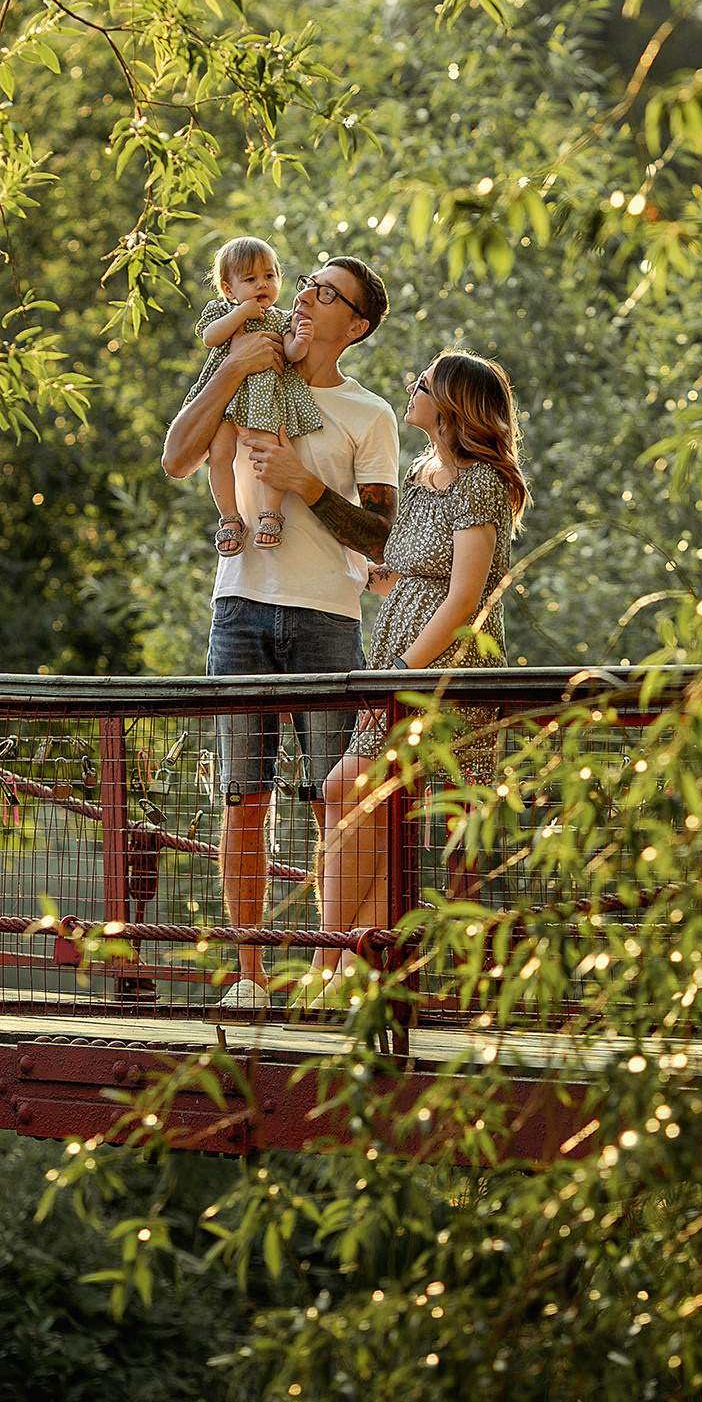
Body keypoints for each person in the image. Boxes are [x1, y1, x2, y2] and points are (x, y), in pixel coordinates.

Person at [162, 257, 400, 1009]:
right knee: (244, 800)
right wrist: (232, 366)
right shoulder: (247, 365)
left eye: (326, 293)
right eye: (307, 283)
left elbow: (384, 537)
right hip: (239, 612)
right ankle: (251, 976)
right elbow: (177, 458)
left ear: (355, 325)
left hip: (327, 618)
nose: (303, 296)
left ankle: (332, 974)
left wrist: (307, 484)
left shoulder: (370, 414)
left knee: (337, 803)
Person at [309, 351, 530, 1001]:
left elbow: (463, 598)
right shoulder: (419, 470)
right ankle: (360, 973)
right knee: (374, 808)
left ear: (452, 407)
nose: (413, 387)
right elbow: (410, 573)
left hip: (443, 667)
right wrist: (372, 577)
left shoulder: (480, 482)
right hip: (398, 653)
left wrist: (400, 673)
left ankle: (330, 961)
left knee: (348, 788)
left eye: (425, 383)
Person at [190, 236, 321, 553]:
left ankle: (271, 513)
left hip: (263, 398)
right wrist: (241, 313)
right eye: (250, 279)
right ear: (229, 290)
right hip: (224, 398)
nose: (262, 284)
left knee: (268, 451)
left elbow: (290, 354)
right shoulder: (222, 312)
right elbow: (210, 337)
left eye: (269, 276)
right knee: (220, 454)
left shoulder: (280, 318)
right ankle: (230, 518)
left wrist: (301, 341)